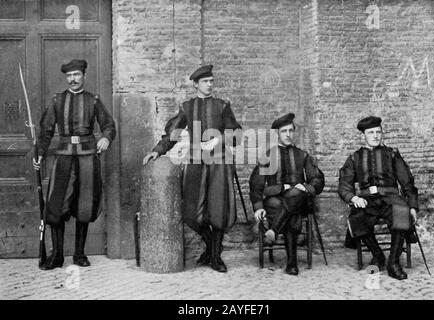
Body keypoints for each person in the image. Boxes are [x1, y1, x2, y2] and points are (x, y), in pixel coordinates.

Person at [143, 65, 242, 273]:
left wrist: (219, 139)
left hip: (220, 162)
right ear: (196, 84)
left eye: (211, 81)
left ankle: (215, 257)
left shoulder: (222, 106)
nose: (209, 85)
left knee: (218, 209)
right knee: (191, 213)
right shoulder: (187, 107)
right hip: (196, 161)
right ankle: (211, 247)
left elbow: (237, 134)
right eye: (205, 81)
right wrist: (158, 151)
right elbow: (173, 133)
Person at [34, 59, 116, 270]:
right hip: (63, 158)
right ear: (66, 78)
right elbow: (45, 130)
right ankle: (57, 255)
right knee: (55, 205)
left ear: (84, 76)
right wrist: (40, 152)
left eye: (77, 75)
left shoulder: (94, 101)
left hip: (88, 157)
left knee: (85, 205)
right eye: (69, 76)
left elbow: (108, 124)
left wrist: (106, 137)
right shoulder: (57, 100)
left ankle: (79, 254)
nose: (73, 79)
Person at [338, 116, 418, 280]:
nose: (375, 136)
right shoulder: (355, 158)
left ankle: (393, 263)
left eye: (378, 132)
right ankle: (378, 254)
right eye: (371, 132)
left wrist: (412, 206)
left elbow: (407, 181)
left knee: (401, 213)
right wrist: (353, 198)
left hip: (391, 198)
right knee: (358, 217)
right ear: (363, 136)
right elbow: (344, 184)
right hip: (368, 199)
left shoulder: (392, 155)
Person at [249, 113, 325, 275]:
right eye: (284, 131)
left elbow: (317, 179)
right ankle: (292, 263)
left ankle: (274, 231)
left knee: (296, 194)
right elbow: (256, 185)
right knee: (291, 211)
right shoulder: (268, 156)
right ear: (277, 133)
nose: (288, 135)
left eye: (291, 131)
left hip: (298, 200)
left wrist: (307, 187)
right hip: (275, 201)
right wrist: (258, 207)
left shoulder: (302, 155)